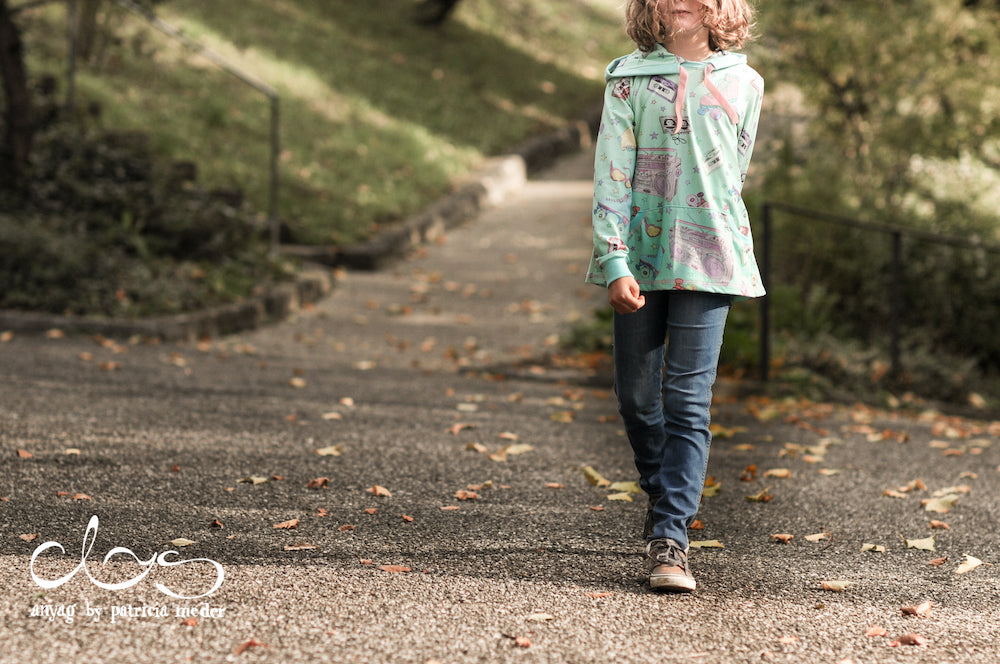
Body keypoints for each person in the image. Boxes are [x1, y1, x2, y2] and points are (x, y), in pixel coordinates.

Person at [586, 0, 764, 592]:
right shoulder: (627, 79)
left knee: (689, 401)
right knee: (636, 397)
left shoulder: (746, 83)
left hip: (711, 258)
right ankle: (666, 493)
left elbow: (732, 175)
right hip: (640, 255)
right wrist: (613, 258)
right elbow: (612, 171)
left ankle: (670, 539)